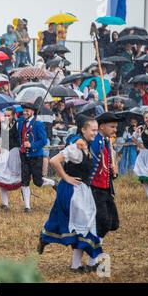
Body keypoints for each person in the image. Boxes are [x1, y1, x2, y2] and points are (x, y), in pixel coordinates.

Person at [38, 115, 102, 273]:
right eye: (92, 130)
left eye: (96, 130)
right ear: (83, 130)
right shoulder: (76, 146)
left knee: (67, 222)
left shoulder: (86, 144)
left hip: (81, 189)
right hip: (71, 190)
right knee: (83, 225)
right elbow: (54, 160)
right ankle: (86, 262)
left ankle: (74, 263)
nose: (95, 133)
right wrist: (65, 177)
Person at [88, 112, 123, 268]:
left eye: (116, 127)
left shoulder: (106, 141)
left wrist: (113, 170)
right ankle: (92, 261)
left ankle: (92, 255)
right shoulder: (95, 142)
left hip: (106, 188)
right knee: (102, 223)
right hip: (94, 189)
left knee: (113, 223)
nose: (115, 130)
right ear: (102, 127)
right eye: (112, 127)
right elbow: (91, 165)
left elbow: (106, 168)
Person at [18, 103, 56, 213]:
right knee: (24, 181)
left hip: (35, 156)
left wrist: (32, 145)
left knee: (38, 182)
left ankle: (53, 183)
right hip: (24, 155)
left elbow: (44, 141)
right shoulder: (21, 121)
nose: (25, 112)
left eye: (27, 111)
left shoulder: (38, 124)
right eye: (24, 110)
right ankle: (27, 207)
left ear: (32, 112)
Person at [0, 107, 22, 209]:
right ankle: (5, 204)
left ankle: (27, 205)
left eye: (8, 115)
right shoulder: (2, 125)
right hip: (5, 152)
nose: (6, 117)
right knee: (1, 176)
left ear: (14, 115)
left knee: (22, 178)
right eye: (5, 115)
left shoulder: (18, 124)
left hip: (16, 153)